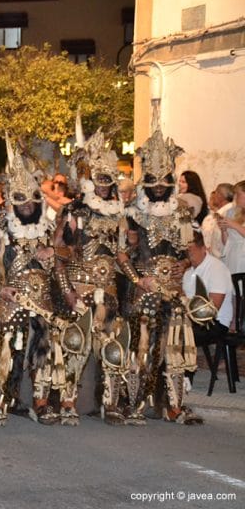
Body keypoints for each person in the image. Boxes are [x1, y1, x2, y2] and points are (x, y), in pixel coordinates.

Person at [119, 104, 201, 425]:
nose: (157, 186)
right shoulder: (133, 213)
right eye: (151, 180)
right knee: (141, 346)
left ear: (170, 180)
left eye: (163, 180)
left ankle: (172, 405)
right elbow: (121, 254)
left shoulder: (181, 212)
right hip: (144, 289)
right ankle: (135, 402)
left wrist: (185, 264)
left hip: (173, 291)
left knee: (174, 347)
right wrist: (137, 280)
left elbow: (189, 250)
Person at [55, 117, 124, 425]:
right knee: (76, 346)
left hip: (108, 289)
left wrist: (138, 279)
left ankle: (110, 403)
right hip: (79, 287)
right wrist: (67, 291)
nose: (104, 186)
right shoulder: (73, 211)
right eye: (100, 180)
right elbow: (59, 255)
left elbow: (122, 254)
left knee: (111, 345)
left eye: (109, 180)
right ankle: (67, 401)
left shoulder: (119, 214)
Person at [0, 139, 57, 426]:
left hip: (41, 302)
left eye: (31, 198)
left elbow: (63, 258)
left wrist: (53, 252)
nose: (26, 204)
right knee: (6, 352)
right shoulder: (0, 229)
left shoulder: (47, 228)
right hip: (10, 302)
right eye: (20, 198)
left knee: (41, 352)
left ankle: (40, 402)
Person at [182, 231, 234, 349]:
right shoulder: (188, 272)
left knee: (174, 335)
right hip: (194, 321)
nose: (187, 254)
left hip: (215, 323)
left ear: (203, 248)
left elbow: (212, 309)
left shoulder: (216, 268)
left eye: (190, 250)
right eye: (185, 251)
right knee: (163, 327)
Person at [201, 183, 234, 258]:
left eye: (215, 192)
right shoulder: (222, 212)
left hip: (222, 258)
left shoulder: (227, 213)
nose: (213, 196)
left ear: (220, 196)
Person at [219, 180, 245, 275]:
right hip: (231, 255)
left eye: (238, 194)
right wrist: (223, 230)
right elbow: (226, 242)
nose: (235, 198)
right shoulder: (231, 212)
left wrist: (233, 224)